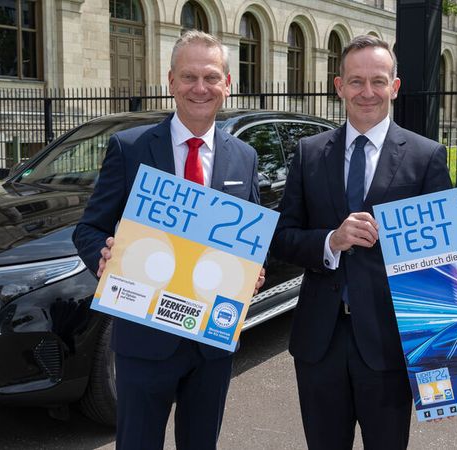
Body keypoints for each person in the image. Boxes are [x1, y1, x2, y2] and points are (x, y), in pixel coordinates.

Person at [73, 31, 262, 450]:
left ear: (228, 84)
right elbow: (87, 229)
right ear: (171, 81)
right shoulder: (130, 148)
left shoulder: (243, 157)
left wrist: (254, 270)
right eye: (189, 77)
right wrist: (103, 258)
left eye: (211, 77)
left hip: (212, 342)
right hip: (144, 337)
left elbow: (250, 236)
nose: (200, 88)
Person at [270, 35, 452, 449]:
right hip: (320, 341)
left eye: (378, 81)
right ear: (339, 86)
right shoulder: (310, 152)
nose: (367, 92)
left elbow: (443, 258)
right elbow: (281, 238)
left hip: (389, 342)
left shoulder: (426, 156)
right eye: (356, 81)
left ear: (395, 86)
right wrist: (331, 242)